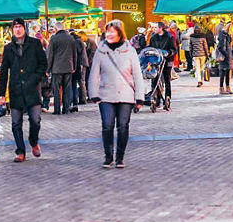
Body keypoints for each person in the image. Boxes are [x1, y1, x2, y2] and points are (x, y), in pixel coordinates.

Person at [87, 20, 145, 168]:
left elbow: (137, 74)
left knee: (123, 126)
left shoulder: (130, 51)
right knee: (107, 125)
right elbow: (94, 73)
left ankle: (120, 157)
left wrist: (140, 96)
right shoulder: (101, 51)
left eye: (113, 31)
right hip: (106, 94)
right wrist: (93, 93)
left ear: (120, 33)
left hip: (125, 94)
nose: (110, 34)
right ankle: (108, 156)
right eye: (108, 31)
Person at [0, 17, 45, 161]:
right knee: (15, 122)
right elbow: (3, 71)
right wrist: (1, 93)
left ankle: (33, 141)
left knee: (35, 119)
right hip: (16, 89)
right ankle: (20, 151)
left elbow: (43, 64)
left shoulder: (35, 44)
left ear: (24, 28)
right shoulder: (8, 48)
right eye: (15, 27)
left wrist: (35, 78)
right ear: (12, 30)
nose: (17, 29)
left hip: (32, 88)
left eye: (20, 27)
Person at [46, 24, 79, 115]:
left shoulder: (54, 39)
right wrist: (74, 67)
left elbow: (50, 55)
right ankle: (66, 109)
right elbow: (74, 54)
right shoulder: (71, 38)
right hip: (68, 67)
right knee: (67, 89)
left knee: (56, 89)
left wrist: (47, 70)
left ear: (56, 29)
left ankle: (57, 110)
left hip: (56, 68)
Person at [147, 22, 175, 111]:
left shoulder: (169, 37)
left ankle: (167, 99)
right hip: (155, 61)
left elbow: (174, 49)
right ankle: (156, 99)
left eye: (155, 27)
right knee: (155, 80)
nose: (153, 29)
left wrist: (168, 53)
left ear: (160, 28)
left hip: (166, 61)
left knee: (167, 80)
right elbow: (150, 47)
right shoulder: (153, 37)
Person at [214, 21, 233, 95]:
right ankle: (221, 88)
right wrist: (226, 54)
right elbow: (220, 47)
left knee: (227, 72)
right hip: (224, 57)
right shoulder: (223, 35)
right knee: (223, 73)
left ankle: (227, 87)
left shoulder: (226, 35)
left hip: (227, 56)